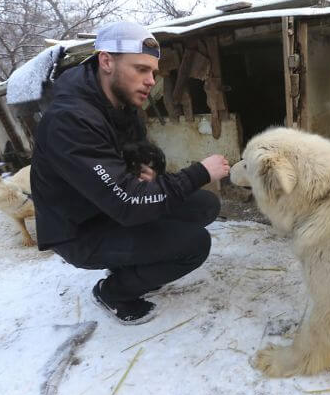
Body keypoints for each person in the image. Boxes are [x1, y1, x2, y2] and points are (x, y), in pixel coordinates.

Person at [31, 21, 230, 325]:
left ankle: (134, 264)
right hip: (80, 230)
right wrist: (199, 172)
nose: (150, 81)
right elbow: (127, 203)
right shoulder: (70, 119)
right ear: (106, 61)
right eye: (140, 69)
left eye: (152, 72)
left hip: (107, 206)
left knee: (205, 205)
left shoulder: (120, 102)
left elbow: (138, 155)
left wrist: (148, 170)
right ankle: (113, 292)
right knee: (194, 245)